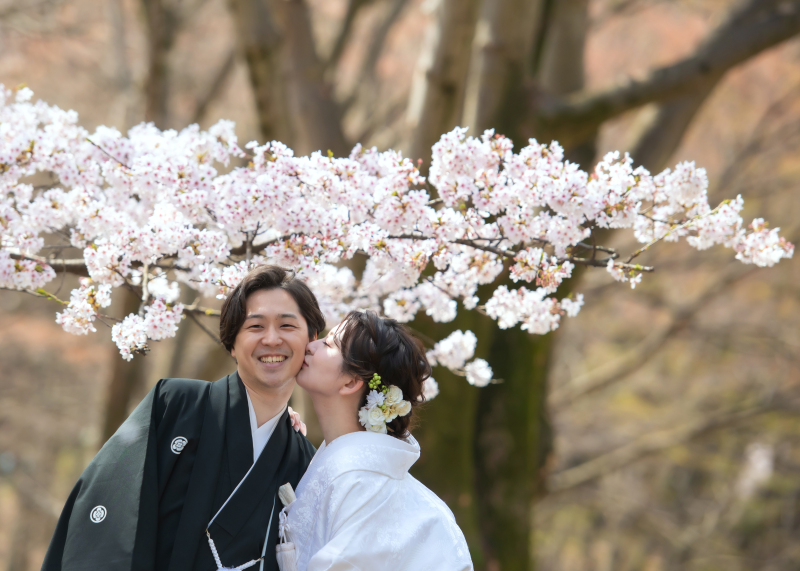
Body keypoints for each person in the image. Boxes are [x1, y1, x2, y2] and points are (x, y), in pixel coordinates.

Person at [42, 265, 323, 571]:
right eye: (255, 326)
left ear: (312, 339)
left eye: (287, 326)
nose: (271, 339)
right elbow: (112, 508)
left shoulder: (305, 461)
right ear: (231, 341)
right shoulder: (174, 405)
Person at [282, 310, 473, 570]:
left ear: (350, 381)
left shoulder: (366, 486)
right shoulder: (358, 476)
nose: (310, 345)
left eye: (328, 344)